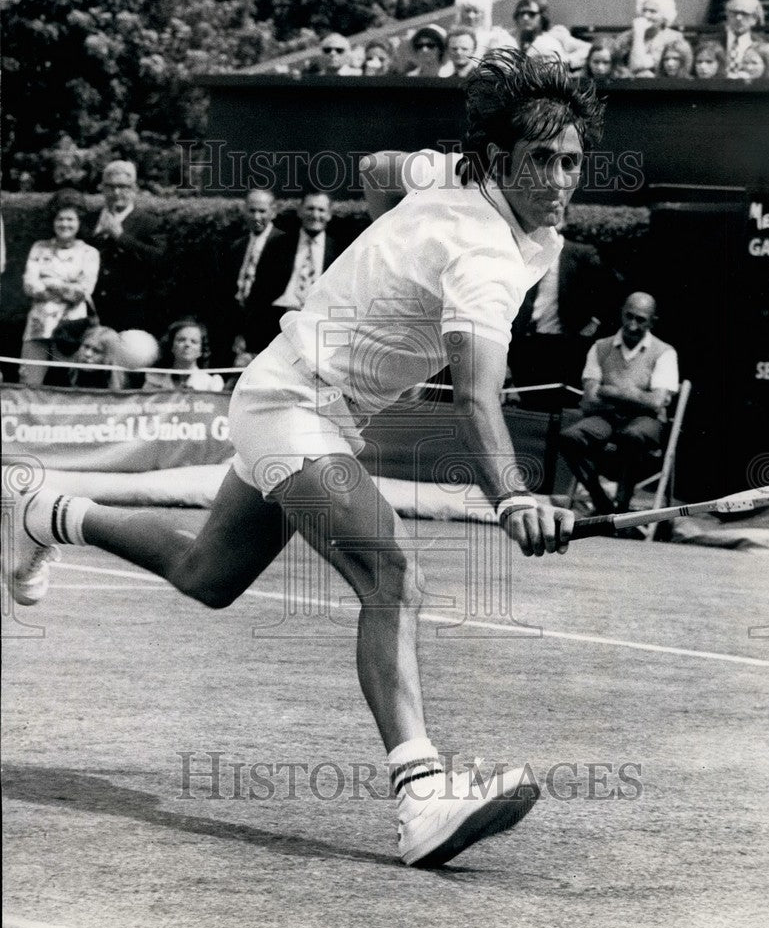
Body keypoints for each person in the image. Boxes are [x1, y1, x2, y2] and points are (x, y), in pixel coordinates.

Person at [7, 52, 604, 870]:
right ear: (499, 159)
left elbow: (377, 170)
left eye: (572, 161)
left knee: (208, 575)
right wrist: (512, 497)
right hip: (295, 405)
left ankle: (43, 512)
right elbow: (475, 398)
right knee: (391, 575)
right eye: (542, 159)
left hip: (300, 400)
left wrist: (397, 245)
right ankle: (421, 797)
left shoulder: (453, 179)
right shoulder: (486, 260)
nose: (561, 179)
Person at [559, 292, 679, 515]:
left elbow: (655, 403)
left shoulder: (664, 352)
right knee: (569, 438)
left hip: (644, 423)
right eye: (629, 316)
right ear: (622, 314)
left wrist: (609, 390)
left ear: (652, 322)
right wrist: (636, 396)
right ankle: (601, 501)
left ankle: (622, 506)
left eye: (641, 320)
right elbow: (590, 399)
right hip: (606, 419)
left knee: (632, 436)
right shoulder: (600, 347)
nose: (632, 325)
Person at [508, 214, 618, 390]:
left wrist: (594, 322)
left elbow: (611, 290)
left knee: (558, 396)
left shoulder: (581, 254)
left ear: (562, 222)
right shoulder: (523, 253)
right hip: (526, 341)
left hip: (563, 343)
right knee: (528, 394)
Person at [20, 188, 100, 385]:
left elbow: (82, 292)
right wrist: (66, 286)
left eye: (70, 219)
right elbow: (30, 286)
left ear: (79, 222)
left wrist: (48, 282)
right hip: (39, 325)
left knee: (67, 384)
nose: (65, 224)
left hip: (71, 328)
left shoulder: (89, 253)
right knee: (29, 382)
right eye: (60, 219)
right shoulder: (39, 248)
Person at [88, 160, 164, 334]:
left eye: (123, 187)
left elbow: (158, 259)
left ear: (134, 189)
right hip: (91, 309)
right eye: (110, 186)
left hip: (130, 311)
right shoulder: (88, 220)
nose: (116, 192)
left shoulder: (149, 223)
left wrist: (121, 237)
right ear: (102, 188)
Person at [225, 188, 287, 364]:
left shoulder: (286, 245)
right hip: (240, 335)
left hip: (272, 334)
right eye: (252, 211)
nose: (256, 217)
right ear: (245, 211)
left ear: (273, 212)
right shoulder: (237, 246)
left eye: (262, 211)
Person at [269, 190, 341, 339]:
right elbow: (262, 291)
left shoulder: (339, 250)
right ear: (300, 211)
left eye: (321, 210)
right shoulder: (279, 245)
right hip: (277, 325)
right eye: (310, 208)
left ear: (329, 214)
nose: (315, 215)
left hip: (319, 327)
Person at [512, 0, 591, 71]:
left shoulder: (555, 35)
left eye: (531, 14)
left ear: (542, 16)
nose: (525, 18)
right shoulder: (513, 38)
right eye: (521, 14)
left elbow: (588, 49)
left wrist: (565, 62)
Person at [614, 0, 682, 77]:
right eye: (644, 10)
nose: (646, 15)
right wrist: (638, 33)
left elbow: (639, 66)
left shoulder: (674, 38)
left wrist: (639, 34)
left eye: (653, 11)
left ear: (664, 16)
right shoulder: (624, 38)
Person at [145, 318, 223, 392]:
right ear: (172, 346)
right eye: (181, 340)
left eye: (194, 341)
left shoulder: (210, 384)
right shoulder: (154, 381)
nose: (187, 344)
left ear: (201, 350)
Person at [44, 325, 125, 390]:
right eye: (86, 346)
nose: (88, 354)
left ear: (109, 357)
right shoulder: (58, 376)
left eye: (96, 351)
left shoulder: (122, 389)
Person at [452, 0, 517, 60]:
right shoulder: (453, 40)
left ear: (484, 14)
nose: (471, 16)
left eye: (476, 11)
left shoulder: (497, 37)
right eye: (467, 11)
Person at [719, 0, 769, 78]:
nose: (738, 18)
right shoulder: (711, 42)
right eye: (734, 13)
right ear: (727, 15)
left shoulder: (765, 45)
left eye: (744, 14)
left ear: (754, 19)